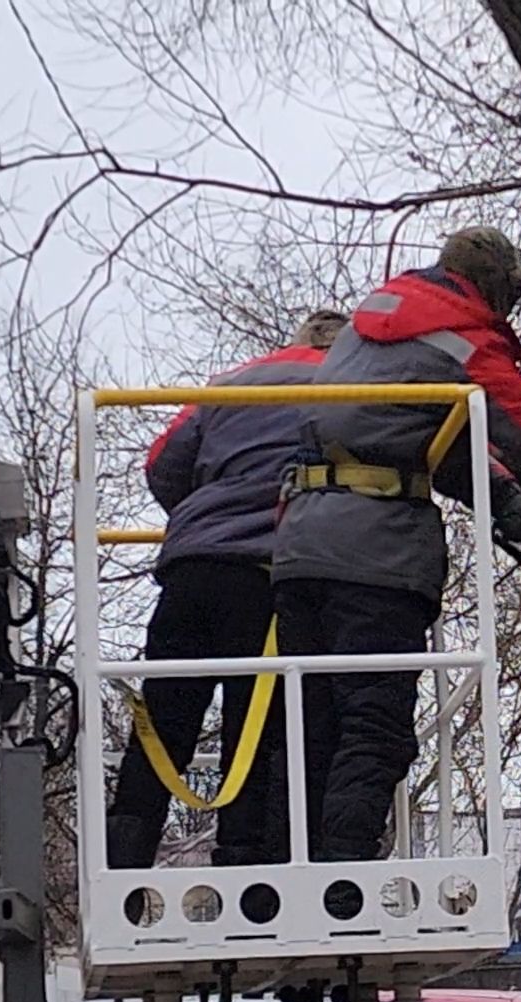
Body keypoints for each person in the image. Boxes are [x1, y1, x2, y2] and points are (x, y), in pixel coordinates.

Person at [272, 226, 521, 866]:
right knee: (374, 728)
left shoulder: (377, 327)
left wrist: (503, 496)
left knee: (310, 727)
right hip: (376, 555)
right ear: (494, 288)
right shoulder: (457, 335)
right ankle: (342, 886)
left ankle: (287, 874)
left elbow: (401, 429)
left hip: (301, 543)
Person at [104, 309, 349, 872]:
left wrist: (205, 514)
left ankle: (124, 861)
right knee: (254, 727)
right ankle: (241, 865)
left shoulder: (232, 384)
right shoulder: (350, 385)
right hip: (269, 568)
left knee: (165, 718)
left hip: (191, 566)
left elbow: (163, 464)